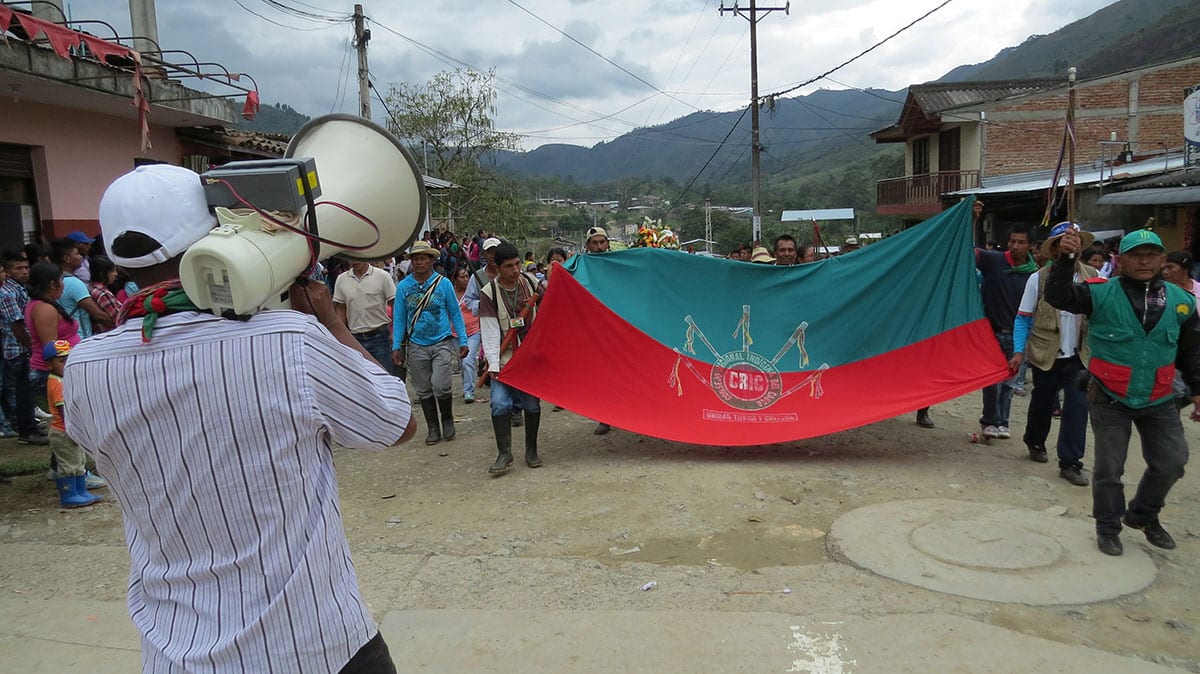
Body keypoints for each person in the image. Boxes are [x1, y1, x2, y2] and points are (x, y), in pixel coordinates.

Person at [64, 163, 416, 672]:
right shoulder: (289, 341)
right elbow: (395, 422)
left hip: (175, 654)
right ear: (220, 232)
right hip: (315, 646)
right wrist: (331, 323)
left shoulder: (84, 367)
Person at [1046, 228, 1200, 556]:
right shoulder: (1099, 293)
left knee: (1173, 462)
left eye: (1151, 255)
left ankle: (1143, 515)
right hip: (1109, 395)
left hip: (1159, 398)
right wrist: (1067, 257)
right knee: (1108, 469)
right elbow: (1058, 296)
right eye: (1135, 255)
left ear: (1162, 259)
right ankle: (1108, 526)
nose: (1144, 261)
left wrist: (1197, 390)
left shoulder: (1182, 303)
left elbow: (1191, 352)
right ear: (1121, 261)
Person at [1011, 223, 1096, 486]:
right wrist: (1017, 351)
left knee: (1077, 407)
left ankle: (1070, 462)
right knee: (1043, 401)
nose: (1071, 247)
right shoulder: (1039, 278)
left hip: (1079, 355)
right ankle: (1035, 441)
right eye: (1064, 243)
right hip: (1046, 351)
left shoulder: (1093, 276)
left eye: (1075, 242)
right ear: (1056, 249)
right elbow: (1023, 318)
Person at [393, 240, 468, 445]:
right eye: (416, 259)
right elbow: (399, 318)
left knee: (442, 385)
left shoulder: (443, 284)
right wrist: (396, 345)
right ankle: (433, 427)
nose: (419, 262)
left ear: (431, 260)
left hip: (441, 341)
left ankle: (447, 420)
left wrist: (463, 339)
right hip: (416, 344)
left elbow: (455, 312)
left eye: (423, 258)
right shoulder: (404, 287)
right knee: (423, 388)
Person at [480, 243, 545, 474]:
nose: (515, 270)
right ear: (497, 268)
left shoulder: (530, 282)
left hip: (529, 358)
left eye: (517, 264)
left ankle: (531, 450)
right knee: (499, 403)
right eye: (509, 266)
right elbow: (488, 330)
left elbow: (549, 306)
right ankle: (504, 453)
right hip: (504, 358)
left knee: (531, 404)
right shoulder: (488, 293)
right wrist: (494, 365)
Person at [976, 223, 1036, 440]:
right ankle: (989, 421)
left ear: (1031, 246)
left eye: (1021, 242)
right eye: (1012, 241)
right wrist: (973, 218)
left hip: (1017, 336)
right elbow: (969, 251)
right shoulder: (994, 261)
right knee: (992, 381)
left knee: (1009, 382)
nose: (1016, 246)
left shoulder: (1034, 275)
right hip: (990, 332)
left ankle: (1003, 422)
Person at [44, 339, 103, 507]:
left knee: (78, 462)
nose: (67, 364)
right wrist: (74, 427)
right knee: (69, 465)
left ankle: (80, 491)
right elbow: (64, 411)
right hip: (63, 432)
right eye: (62, 361)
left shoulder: (63, 380)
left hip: (69, 430)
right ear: (49, 364)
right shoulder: (57, 383)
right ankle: (69, 494)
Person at [0, 252, 45, 445]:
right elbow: (16, 325)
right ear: (8, 272)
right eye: (19, 268)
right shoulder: (8, 293)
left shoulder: (21, 289)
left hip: (22, 348)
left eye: (26, 267)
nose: (24, 271)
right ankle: (25, 429)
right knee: (21, 390)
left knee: (26, 389)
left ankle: (28, 426)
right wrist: (32, 347)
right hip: (16, 349)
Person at [26, 262, 81, 405]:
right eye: (61, 280)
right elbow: (52, 350)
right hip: (53, 372)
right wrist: (65, 376)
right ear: (52, 284)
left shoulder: (45, 305)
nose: (63, 284)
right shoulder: (44, 309)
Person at [333, 257, 396, 372]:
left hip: (379, 337)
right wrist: (341, 335)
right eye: (351, 258)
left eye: (358, 257)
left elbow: (394, 304)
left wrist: (395, 332)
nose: (354, 261)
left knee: (384, 376)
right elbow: (341, 308)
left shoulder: (382, 276)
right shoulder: (342, 279)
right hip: (355, 338)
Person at [49, 238, 112, 338]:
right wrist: (118, 326)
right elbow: (98, 315)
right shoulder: (73, 283)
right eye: (77, 254)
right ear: (67, 259)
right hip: (80, 338)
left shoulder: (54, 280)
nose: (81, 257)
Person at [584, 227, 614, 434]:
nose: (599, 246)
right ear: (587, 246)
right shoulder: (580, 266)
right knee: (602, 376)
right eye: (594, 243)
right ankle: (604, 417)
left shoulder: (620, 264)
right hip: (596, 330)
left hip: (620, 326)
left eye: (602, 242)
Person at [452, 267, 482, 403]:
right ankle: (467, 385)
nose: (465, 279)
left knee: (467, 360)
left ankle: (468, 391)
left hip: (473, 331)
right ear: (455, 279)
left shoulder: (473, 292)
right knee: (462, 363)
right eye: (462, 277)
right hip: (455, 333)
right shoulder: (450, 292)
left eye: (467, 276)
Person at [86, 255, 122, 330]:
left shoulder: (92, 288)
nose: (116, 274)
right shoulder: (103, 294)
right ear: (102, 273)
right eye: (112, 271)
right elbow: (118, 318)